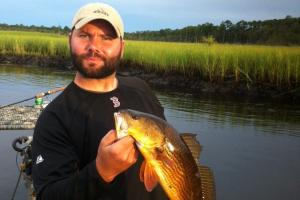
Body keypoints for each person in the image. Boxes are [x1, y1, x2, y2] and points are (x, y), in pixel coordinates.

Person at [31, 2, 168, 200]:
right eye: (84, 35)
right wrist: (101, 171)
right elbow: (49, 195)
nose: (94, 46)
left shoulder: (141, 88)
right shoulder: (54, 118)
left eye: (107, 37)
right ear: (70, 40)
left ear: (122, 47)